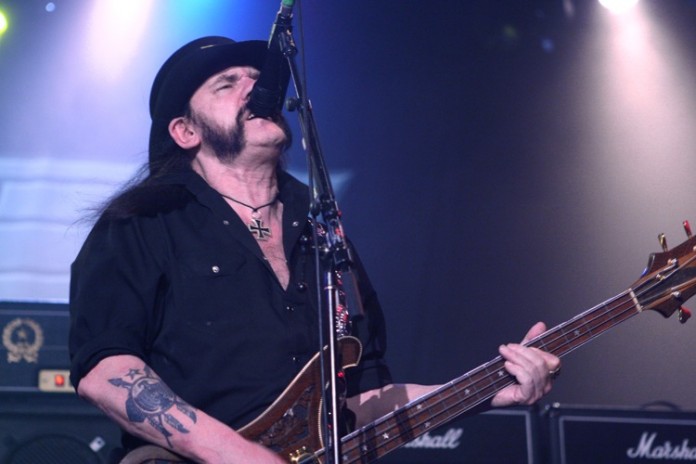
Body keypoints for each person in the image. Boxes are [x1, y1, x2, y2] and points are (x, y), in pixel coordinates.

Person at [69, 36, 561, 464]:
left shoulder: (324, 227)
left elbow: (364, 399)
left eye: (257, 78)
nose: (256, 88)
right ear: (186, 131)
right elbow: (105, 372)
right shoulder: (141, 223)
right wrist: (237, 455)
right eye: (227, 84)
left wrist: (489, 390)